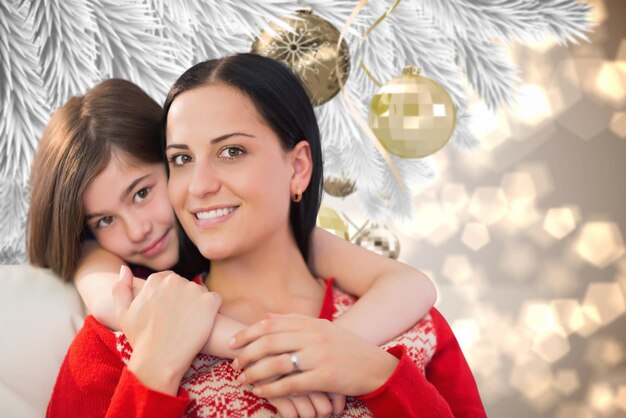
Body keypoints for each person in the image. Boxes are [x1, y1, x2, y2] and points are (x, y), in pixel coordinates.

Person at [45, 54, 486, 417]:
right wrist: (153, 372)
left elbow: (410, 285)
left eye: (231, 151)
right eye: (180, 159)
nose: (198, 185)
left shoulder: (410, 324)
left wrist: (377, 374)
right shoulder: (114, 339)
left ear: (297, 169)